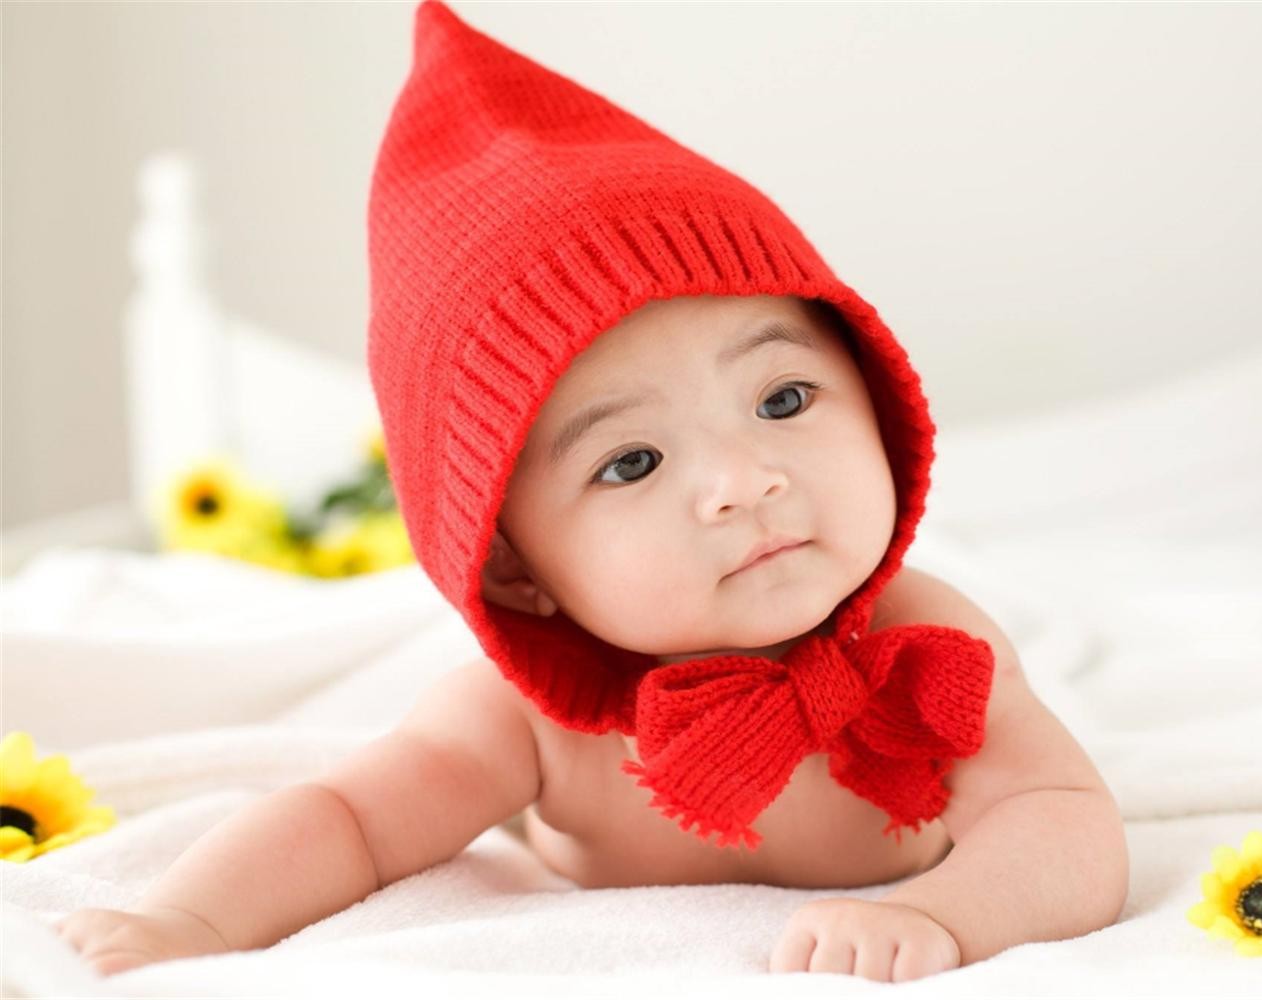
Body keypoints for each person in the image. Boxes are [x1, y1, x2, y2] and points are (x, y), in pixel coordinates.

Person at [53, 0, 1128, 983]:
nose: (744, 480)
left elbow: (1061, 816)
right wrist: (186, 922)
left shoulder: (925, 647)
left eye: (784, 398)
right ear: (511, 566)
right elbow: (350, 820)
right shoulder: (524, 722)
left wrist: (945, 914)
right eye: (632, 462)